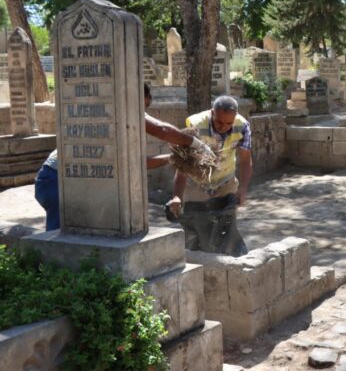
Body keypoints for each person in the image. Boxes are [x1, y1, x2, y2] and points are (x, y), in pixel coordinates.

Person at [34, 84, 209, 231]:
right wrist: (195, 143)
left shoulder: (117, 122)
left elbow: (137, 163)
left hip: (66, 181)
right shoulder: (119, 109)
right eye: (145, 105)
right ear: (140, 97)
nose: (144, 112)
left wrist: (172, 157)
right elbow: (161, 129)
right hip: (58, 181)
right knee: (62, 242)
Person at [166, 96, 252, 255]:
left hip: (225, 182)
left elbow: (246, 160)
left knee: (225, 229)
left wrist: (243, 188)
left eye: (229, 123)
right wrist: (177, 195)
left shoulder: (243, 126)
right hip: (197, 183)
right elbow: (183, 166)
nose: (223, 127)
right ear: (212, 113)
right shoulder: (195, 125)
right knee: (197, 232)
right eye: (219, 122)